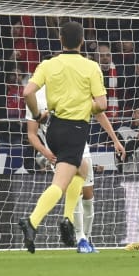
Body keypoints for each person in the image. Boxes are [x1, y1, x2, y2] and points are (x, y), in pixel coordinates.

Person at [17, 21, 126, 253]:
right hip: (75, 130)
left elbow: (27, 92)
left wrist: (36, 115)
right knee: (61, 183)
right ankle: (32, 221)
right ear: (82, 42)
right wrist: (84, 104)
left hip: (54, 129)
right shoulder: (91, 67)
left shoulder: (48, 64)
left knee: (82, 170)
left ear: (61, 40)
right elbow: (102, 105)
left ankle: (67, 220)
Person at [24, 82, 102, 254]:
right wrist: (46, 153)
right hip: (60, 147)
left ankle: (77, 231)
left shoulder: (69, 84)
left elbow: (98, 111)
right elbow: (32, 132)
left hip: (78, 143)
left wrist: (115, 139)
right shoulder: (36, 96)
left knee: (85, 191)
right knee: (71, 185)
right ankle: (78, 235)